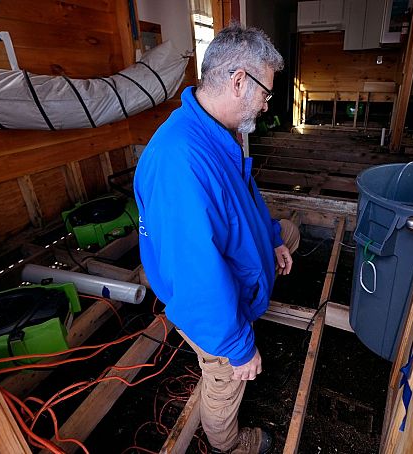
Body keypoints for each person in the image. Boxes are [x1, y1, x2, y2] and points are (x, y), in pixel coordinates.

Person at [134, 23, 299, 454]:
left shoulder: (214, 130)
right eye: (266, 93)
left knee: (291, 231)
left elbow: (246, 194)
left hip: (232, 268)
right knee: (225, 379)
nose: (267, 105)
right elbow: (196, 278)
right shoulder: (179, 162)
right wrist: (239, 346)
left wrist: (271, 238)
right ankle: (228, 445)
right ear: (239, 81)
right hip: (210, 305)